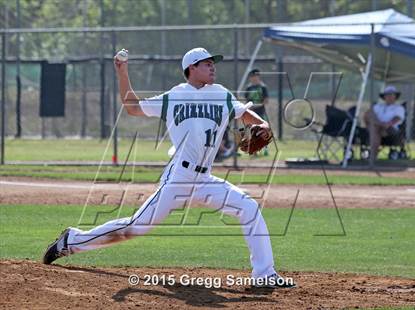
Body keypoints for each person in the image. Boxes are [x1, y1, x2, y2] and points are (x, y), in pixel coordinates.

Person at [42, 47, 295, 289]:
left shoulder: (222, 94)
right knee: (135, 227)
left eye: (212, 63)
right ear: (191, 68)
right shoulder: (176, 95)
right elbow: (132, 107)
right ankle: (72, 240)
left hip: (205, 179)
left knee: (249, 208)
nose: (212, 67)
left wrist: (263, 124)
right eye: (206, 63)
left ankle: (265, 274)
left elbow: (246, 114)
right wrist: (122, 73)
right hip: (179, 177)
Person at [363, 85, 405, 166]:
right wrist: (380, 123)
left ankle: (373, 156)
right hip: (378, 128)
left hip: (391, 130)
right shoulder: (378, 106)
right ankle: (373, 157)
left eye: (391, 94)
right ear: (384, 96)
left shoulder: (399, 108)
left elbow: (397, 118)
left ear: (395, 96)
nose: (389, 96)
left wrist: (388, 124)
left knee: (376, 129)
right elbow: (367, 115)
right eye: (387, 94)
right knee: (375, 126)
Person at [244, 69, 270, 156]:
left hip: (261, 112)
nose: (253, 78)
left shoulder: (263, 87)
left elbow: (266, 100)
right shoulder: (249, 88)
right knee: (252, 131)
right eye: (252, 76)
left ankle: (266, 149)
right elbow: (247, 101)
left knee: (264, 131)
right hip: (252, 113)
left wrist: (257, 105)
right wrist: (250, 107)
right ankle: (254, 150)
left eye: (255, 76)